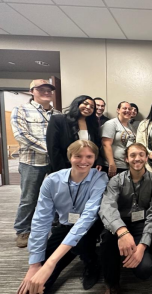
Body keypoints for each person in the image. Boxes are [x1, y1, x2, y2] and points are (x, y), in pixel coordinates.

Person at [17, 140, 109, 294]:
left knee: (80, 243)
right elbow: (41, 220)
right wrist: (35, 264)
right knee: (35, 286)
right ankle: (68, 254)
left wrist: (50, 263)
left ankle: (91, 262)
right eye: (78, 156)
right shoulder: (52, 181)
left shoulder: (100, 178)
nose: (84, 161)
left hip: (90, 226)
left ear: (94, 158)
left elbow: (88, 217)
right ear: (70, 157)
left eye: (89, 156)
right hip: (65, 225)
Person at [99, 143, 152, 294]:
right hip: (120, 223)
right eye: (132, 155)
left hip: (142, 225)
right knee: (106, 240)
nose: (137, 159)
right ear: (126, 159)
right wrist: (122, 231)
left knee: (144, 270)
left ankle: (132, 253)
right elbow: (107, 207)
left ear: (147, 158)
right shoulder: (116, 181)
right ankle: (111, 283)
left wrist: (142, 246)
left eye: (141, 155)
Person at [11, 79, 61, 248]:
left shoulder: (58, 114)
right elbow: (21, 135)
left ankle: (55, 223)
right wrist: (50, 149)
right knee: (29, 197)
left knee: (56, 195)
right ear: (32, 91)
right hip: (32, 162)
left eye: (49, 89)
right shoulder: (21, 110)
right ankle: (23, 230)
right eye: (41, 89)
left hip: (55, 163)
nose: (46, 92)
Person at [47, 95, 102, 173]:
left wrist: (98, 161)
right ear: (77, 104)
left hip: (86, 167)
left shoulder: (93, 124)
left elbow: (97, 145)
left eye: (92, 107)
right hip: (64, 167)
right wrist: (61, 171)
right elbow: (53, 148)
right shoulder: (59, 120)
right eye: (85, 104)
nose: (88, 107)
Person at [101, 101, 136, 177]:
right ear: (118, 110)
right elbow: (106, 144)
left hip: (126, 165)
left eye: (129, 109)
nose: (127, 111)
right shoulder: (111, 124)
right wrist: (111, 164)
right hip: (114, 166)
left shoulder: (130, 126)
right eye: (124, 108)